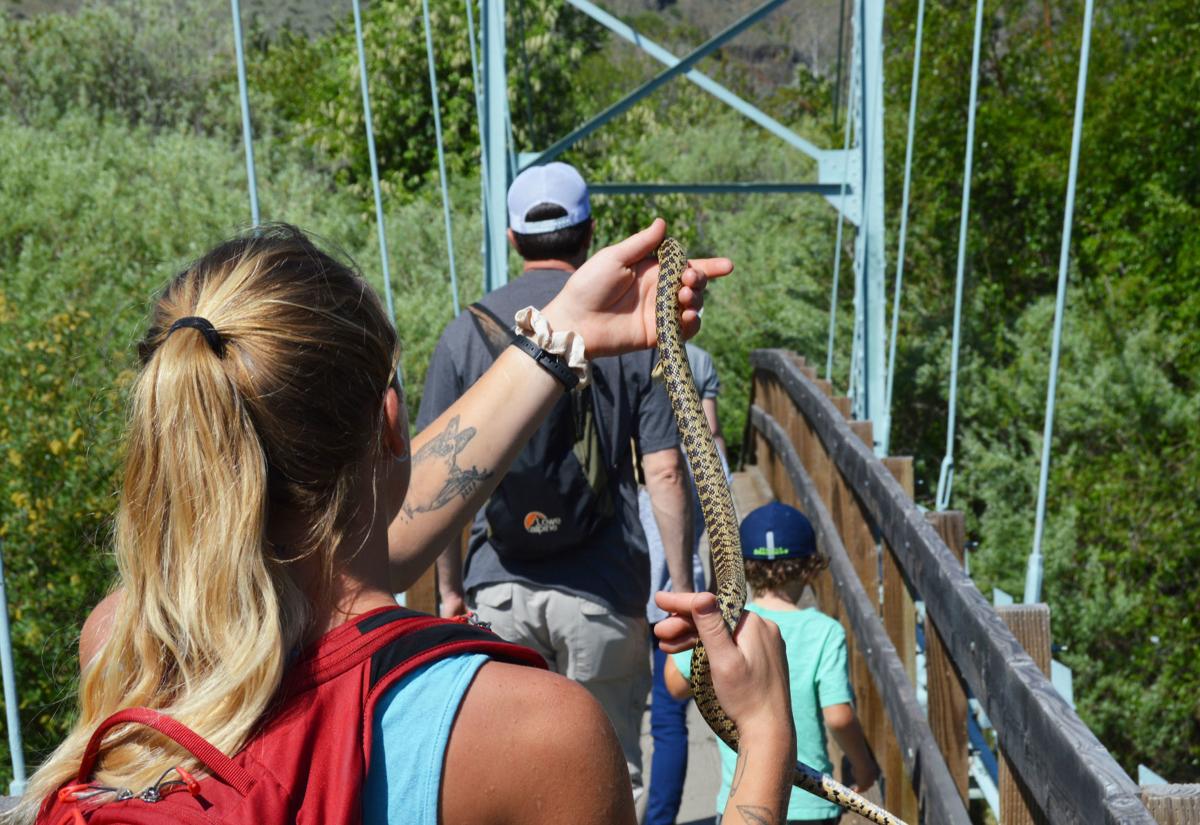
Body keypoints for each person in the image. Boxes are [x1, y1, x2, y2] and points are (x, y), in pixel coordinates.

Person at [9, 221, 801, 825]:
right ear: (393, 422)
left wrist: (561, 334)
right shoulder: (534, 733)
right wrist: (763, 743)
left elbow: (361, 536)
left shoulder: (123, 645)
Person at [420, 162, 694, 805]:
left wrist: (451, 592)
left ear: (512, 239)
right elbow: (664, 469)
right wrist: (679, 591)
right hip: (602, 588)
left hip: (499, 589)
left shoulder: (466, 333)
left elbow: (439, 480)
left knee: (507, 788)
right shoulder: (630, 329)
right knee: (610, 784)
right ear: (589, 232)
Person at [666, 501, 879, 825]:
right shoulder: (824, 631)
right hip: (811, 805)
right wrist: (864, 767)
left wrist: (703, 623)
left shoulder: (727, 626)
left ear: (743, 567)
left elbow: (675, 684)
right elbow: (838, 717)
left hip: (741, 799)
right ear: (810, 567)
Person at [640, 341, 727, 825]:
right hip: (677, 572)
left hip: (611, 565)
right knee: (670, 717)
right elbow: (709, 446)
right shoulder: (699, 360)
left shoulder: (605, 353)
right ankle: (659, 820)